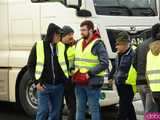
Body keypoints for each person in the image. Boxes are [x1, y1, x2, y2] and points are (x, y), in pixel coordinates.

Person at [27, 23, 69, 120]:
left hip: (59, 86)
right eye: (57, 35)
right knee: (43, 111)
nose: (59, 37)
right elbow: (30, 65)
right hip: (43, 86)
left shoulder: (61, 46)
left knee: (55, 113)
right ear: (51, 34)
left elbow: (64, 64)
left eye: (60, 35)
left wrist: (65, 81)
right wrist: (36, 82)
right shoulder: (38, 45)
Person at [72, 20, 109, 120]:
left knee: (94, 109)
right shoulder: (79, 42)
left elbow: (105, 63)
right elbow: (74, 59)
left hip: (92, 82)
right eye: (81, 30)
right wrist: (72, 70)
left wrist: (89, 73)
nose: (81, 32)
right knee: (79, 109)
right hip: (79, 82)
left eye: (84, 30)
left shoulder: (98, 44)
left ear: (91, 30)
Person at [110, 32, 137, 120]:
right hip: (120, 84)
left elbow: (134, 70)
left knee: (123, 109)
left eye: (118, 44)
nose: (116, 47)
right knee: (128, 107)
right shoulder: (119, 54)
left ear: (125, 44)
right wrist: (111, 76)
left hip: (128, 85)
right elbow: (115, 66)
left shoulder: (133, 55)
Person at [134, 23, 160, 109]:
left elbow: (134, 62)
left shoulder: (142, 45)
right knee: (152, 112)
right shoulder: (156, 46)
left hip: (140, 82)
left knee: (149, 111)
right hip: (151, 85)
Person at [60, 26, 76, 120]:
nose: (71, 37)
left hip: (70, 82)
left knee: (73, 107)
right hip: (59, 82)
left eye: (72, 34)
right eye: (69, 34)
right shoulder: (57, 47)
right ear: (63, 36)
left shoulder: (74, 46)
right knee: (57, 107)